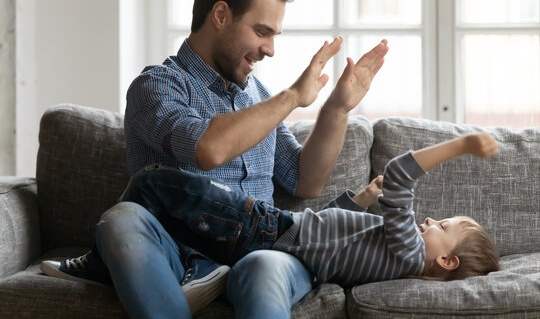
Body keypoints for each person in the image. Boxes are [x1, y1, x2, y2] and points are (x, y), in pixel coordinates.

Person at [40, 0, 390, 318]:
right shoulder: (158, 86)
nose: (270, 49)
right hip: (175, 255)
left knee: (263, 267)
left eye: (273, 36)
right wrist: (291, 97)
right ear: (220, 15)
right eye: (261, 31)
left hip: (259, 254)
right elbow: (209, 148)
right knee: (121, 218)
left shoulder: (257, 95)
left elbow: (306, 181)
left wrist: (337, 108)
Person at [105, 133, 502, 288]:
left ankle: (99, 260)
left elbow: (399, 176)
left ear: (447, 261)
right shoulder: (399, 257)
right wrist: (362, 200)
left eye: (443, 225)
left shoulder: (410, 250)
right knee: (172, 219)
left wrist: (461, 145)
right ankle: (196, 261)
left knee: (153, 179)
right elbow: (330, 234)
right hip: (283, 238)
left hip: (269, 228)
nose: (430, 220)